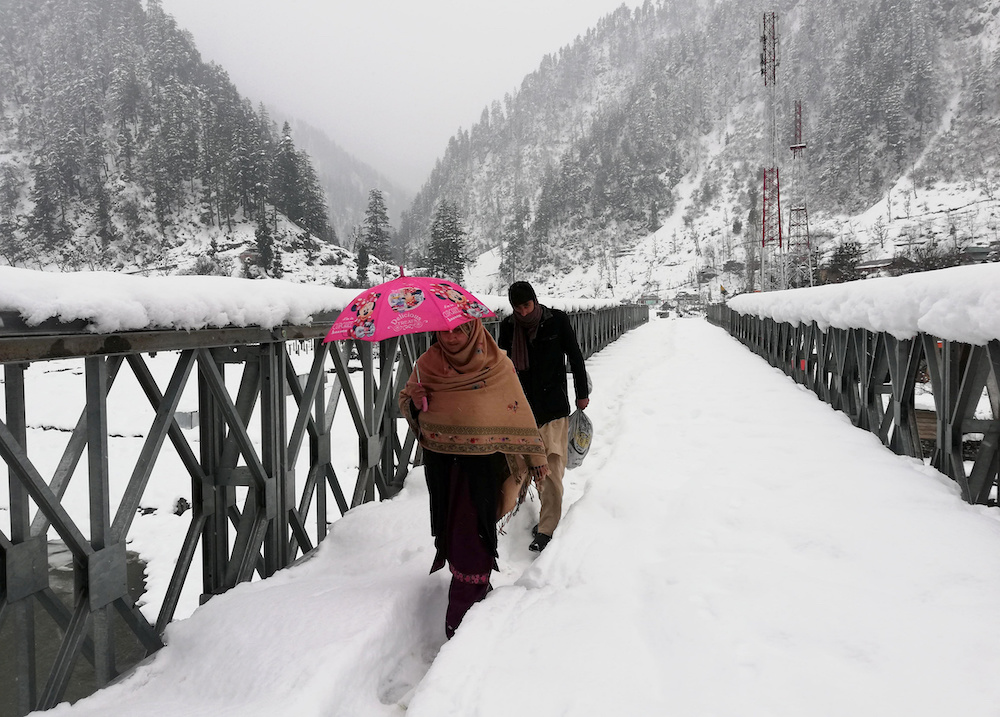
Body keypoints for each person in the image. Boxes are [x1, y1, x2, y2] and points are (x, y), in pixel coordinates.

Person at [399, 318, 549, 639]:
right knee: (454, 533)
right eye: (444, 330)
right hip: (442, 466)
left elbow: (517, 410)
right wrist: (415, 400)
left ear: (473, 330)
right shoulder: (427, 363)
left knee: (473, 536)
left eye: (458, 330)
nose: (450, 337)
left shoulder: (496, 364)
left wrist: (536, 458)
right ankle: (476, 594)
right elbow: (407, 403)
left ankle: (463, 615)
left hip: (483, 467)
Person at [498, 281, 589, 553]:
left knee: (551, 468)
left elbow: (575, 356)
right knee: (524, 465)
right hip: (520, 409)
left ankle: (547, 529)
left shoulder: (557, 320)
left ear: (535, 301)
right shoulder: (508, 326)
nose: (523, 313)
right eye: (518, 308)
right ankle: (529, 512)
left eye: (527, 306)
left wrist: (581, 394)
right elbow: (501, 364)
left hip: (553, 407)